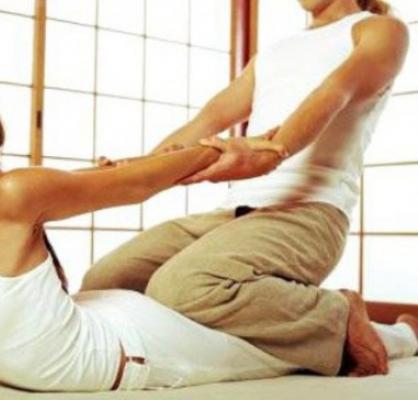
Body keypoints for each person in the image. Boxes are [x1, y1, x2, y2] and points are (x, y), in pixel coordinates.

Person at [0, 48, 416, 391]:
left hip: (131, 348)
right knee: (106, 278)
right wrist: (141, 161)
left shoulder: (3, 194)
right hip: (122, 309)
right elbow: (123, 172)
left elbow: (130, 187)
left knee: (234, 328)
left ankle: (382, 330)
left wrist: (230, 151)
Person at [81, 0, 412, 378]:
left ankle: (338, 315)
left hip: (309, 211)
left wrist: (274, 151)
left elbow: (336, 91)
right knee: (105, 282)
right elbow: (208, 120)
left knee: (182, 287)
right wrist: (135, 168)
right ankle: (338, 332)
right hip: (233, 214)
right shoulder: (275, 52)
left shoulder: (378, 30)